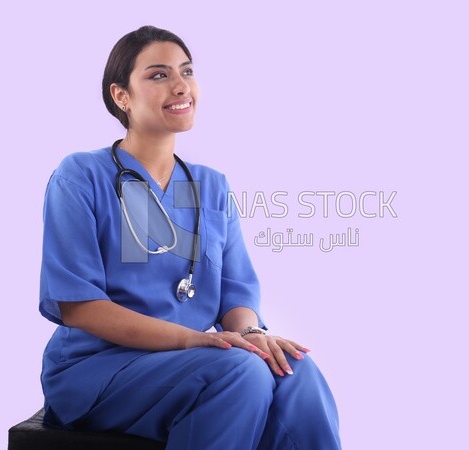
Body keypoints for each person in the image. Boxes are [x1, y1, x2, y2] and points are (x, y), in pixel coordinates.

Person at [38, 25, 341, 449]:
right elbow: (80, 307)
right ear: (121, 96)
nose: (181, 85)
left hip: (195, 358)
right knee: (240, 372)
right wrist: (196, 339)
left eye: (187, 71)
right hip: (99, 367)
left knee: (290, 366)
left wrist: (252, 335)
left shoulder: (210, 186)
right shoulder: (82, 176)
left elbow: (236, 294)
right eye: (159, 75)